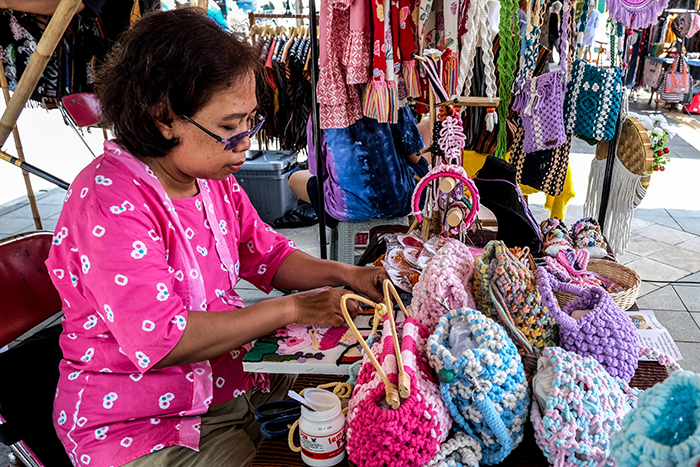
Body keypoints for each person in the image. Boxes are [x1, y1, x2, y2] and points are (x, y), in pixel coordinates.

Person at [46, 8, 387, 467]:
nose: (246, 140)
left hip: (231, 388)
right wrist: (292, 307)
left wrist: (349, 274)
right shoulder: (108, 201)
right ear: (164, 117)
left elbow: (267, 255)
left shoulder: (210, 177)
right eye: (229, 127)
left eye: (250, 121)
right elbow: (162, 339)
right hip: (144, 428)